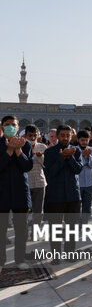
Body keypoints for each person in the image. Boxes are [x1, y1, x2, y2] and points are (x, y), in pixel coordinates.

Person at [43, 124, 82, 264]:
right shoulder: (50, 152)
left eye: (68, 135)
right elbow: (50, 173)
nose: (65, 138)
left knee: (72, 227)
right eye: (62, 135)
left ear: (71, 136)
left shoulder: (76, 151)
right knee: (55, 228)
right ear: (58, 136)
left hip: (73, 194)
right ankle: (56, 255)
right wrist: (61, 158)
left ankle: (70, 253)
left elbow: (78, 169)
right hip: (55, 195)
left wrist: (70, 157)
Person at [0, 116, 33, 272]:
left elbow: (27, 166)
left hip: (20, 192)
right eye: (7, 125)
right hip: (2, 193)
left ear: (18, 127)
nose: (10, 127)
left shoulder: (25, 145)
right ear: (2, 127)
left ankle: (19, 259)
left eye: (13, 125)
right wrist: (9, 150)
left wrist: (18, 149)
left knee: (21, 230)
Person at [24, 125, 46, 225]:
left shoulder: (42, 147)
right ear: (25, 135)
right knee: (24, 209)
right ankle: (23, 231)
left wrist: (40, 157)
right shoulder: (21, 146)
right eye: (30, 136)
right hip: (25, 182)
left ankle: (35, 230)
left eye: (35, 136)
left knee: (38, 210)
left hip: (39, 182)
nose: (32, 138)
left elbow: (46, 165)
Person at [76, 130, 92, 224]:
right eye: (82, 140)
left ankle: (84, 222)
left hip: (89, 182)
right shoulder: (75, 150)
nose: (84, 142)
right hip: (78, 182)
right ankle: (77, 222)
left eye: (86, 140)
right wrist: (82, 156)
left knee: (87, 204)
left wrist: (89, 156)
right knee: (77, 204)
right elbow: (75, 164)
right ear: (78, 140)